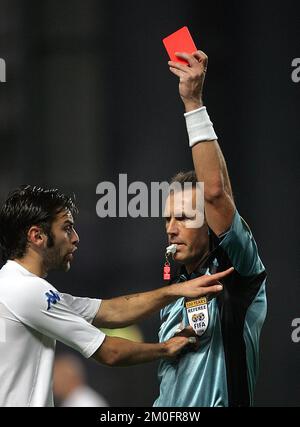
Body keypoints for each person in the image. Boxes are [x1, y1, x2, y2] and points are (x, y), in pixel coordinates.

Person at [0, 185, 232, 407]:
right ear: (37, 236)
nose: (75, 237)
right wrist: (165, 348)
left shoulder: (15, 286)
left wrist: (176, 290)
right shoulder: (28, 291)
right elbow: (110, 352)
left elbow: (111, 311)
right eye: (67, 228)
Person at [153, 50, 267, 407]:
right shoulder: (175, 284)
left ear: (212, 228)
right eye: (167, 219)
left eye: (185, 217)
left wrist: (193, 102)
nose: (171, 228)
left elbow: (217, 194)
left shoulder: (236, 278)